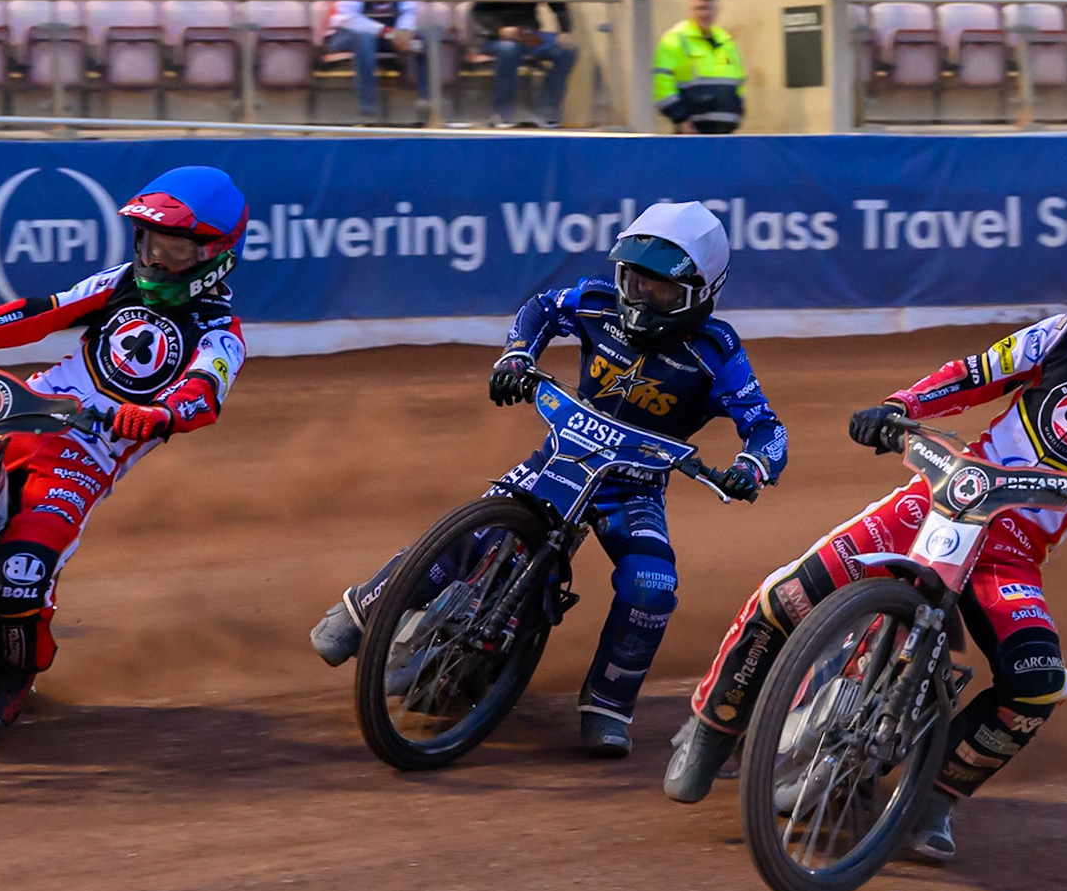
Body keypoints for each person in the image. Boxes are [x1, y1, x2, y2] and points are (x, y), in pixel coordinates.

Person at [667, 240, 1067, 863]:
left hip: (1010, 555)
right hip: (941, 499)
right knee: (788, 593)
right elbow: (975, 373)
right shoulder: (1060, 335)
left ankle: (934, 798)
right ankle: (711, 730)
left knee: (1037, 685)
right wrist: (900, 406)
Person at [310, 202, 789, 758]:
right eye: (633, 280)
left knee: (652, 589)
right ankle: (361, 609)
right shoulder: (595, 301)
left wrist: (752, 467)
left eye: (659, 290)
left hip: (631, 490)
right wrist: (517, 355)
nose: (639, 299)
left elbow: (767, 428)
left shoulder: (718, 351)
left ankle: (608, 706)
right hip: (560, 457)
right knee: (471, 531)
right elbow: (539, 308)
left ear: (701, 293)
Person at [0, 167, 250, 732]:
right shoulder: (118, 282)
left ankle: (12, 675)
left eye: (173, 249)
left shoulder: (221, 332)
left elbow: (204, 393)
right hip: (23, 412)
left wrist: (158, 415)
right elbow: (34, 313)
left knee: (20, 574)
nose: (154, 260)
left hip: (86, 455)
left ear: (214, 255)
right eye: (148, 243)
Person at [470, 0, 577, 128]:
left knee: (567, 50)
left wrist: (565, 31)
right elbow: (475, 12)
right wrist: (500, 30)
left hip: (528, 34)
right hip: (494, 36)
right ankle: (502, 113)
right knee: (509, 49)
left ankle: (546, 111)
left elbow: (558, 2)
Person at [324, 0, 429, 123]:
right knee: (364, 39)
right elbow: (348, 17)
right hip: (343, 34)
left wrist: (405, 30)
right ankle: (367, 112)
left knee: (423, 40)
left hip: (385, 33)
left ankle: (425, 106)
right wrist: (388, 33)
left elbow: (408, 6)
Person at [653, 0, 745, 135]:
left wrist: (737, 115)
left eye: (708, 8)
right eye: (699, 8)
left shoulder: (727, 42)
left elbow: (739, 82)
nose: (704, 14)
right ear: (691, 10)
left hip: (725, 132)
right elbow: (662, 85)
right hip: (691, 131)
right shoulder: (675, 40)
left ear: (717, 10)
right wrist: (680, 119)